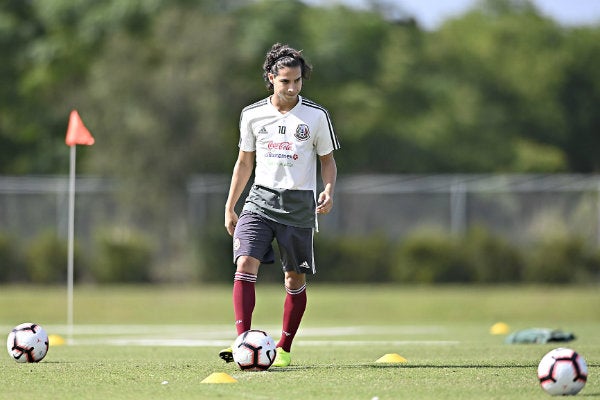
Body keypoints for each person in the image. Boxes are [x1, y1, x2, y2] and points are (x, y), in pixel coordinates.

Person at [219, 42, 340, 367]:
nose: (292, 87)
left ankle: (284, 348)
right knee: (244, 264)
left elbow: (327, 161)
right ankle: (242, 340)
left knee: (294, 281)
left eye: (297, 81)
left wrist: (328, 188)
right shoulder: (252, 114)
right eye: (285, 81)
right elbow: (244, 163)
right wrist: (231, 205)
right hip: (259, 201)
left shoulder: (316, 116)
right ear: (271, 78)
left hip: (299, 207)